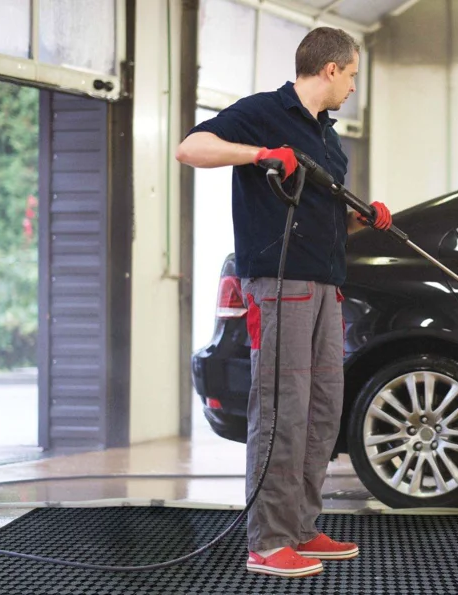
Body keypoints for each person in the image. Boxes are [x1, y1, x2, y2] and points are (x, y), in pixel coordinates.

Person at [176, 27, 392, 579]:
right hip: (278, 283)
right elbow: (190, 147)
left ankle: (300, 525)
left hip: (325, 284)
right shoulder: (263, 112)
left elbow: (317, 206)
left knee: (322, 408)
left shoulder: (328, 136)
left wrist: (363, 217)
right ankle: (268, 542)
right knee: (282, 408)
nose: (352, 88)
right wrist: (258, 154)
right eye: (351, 76)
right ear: (330, 69)